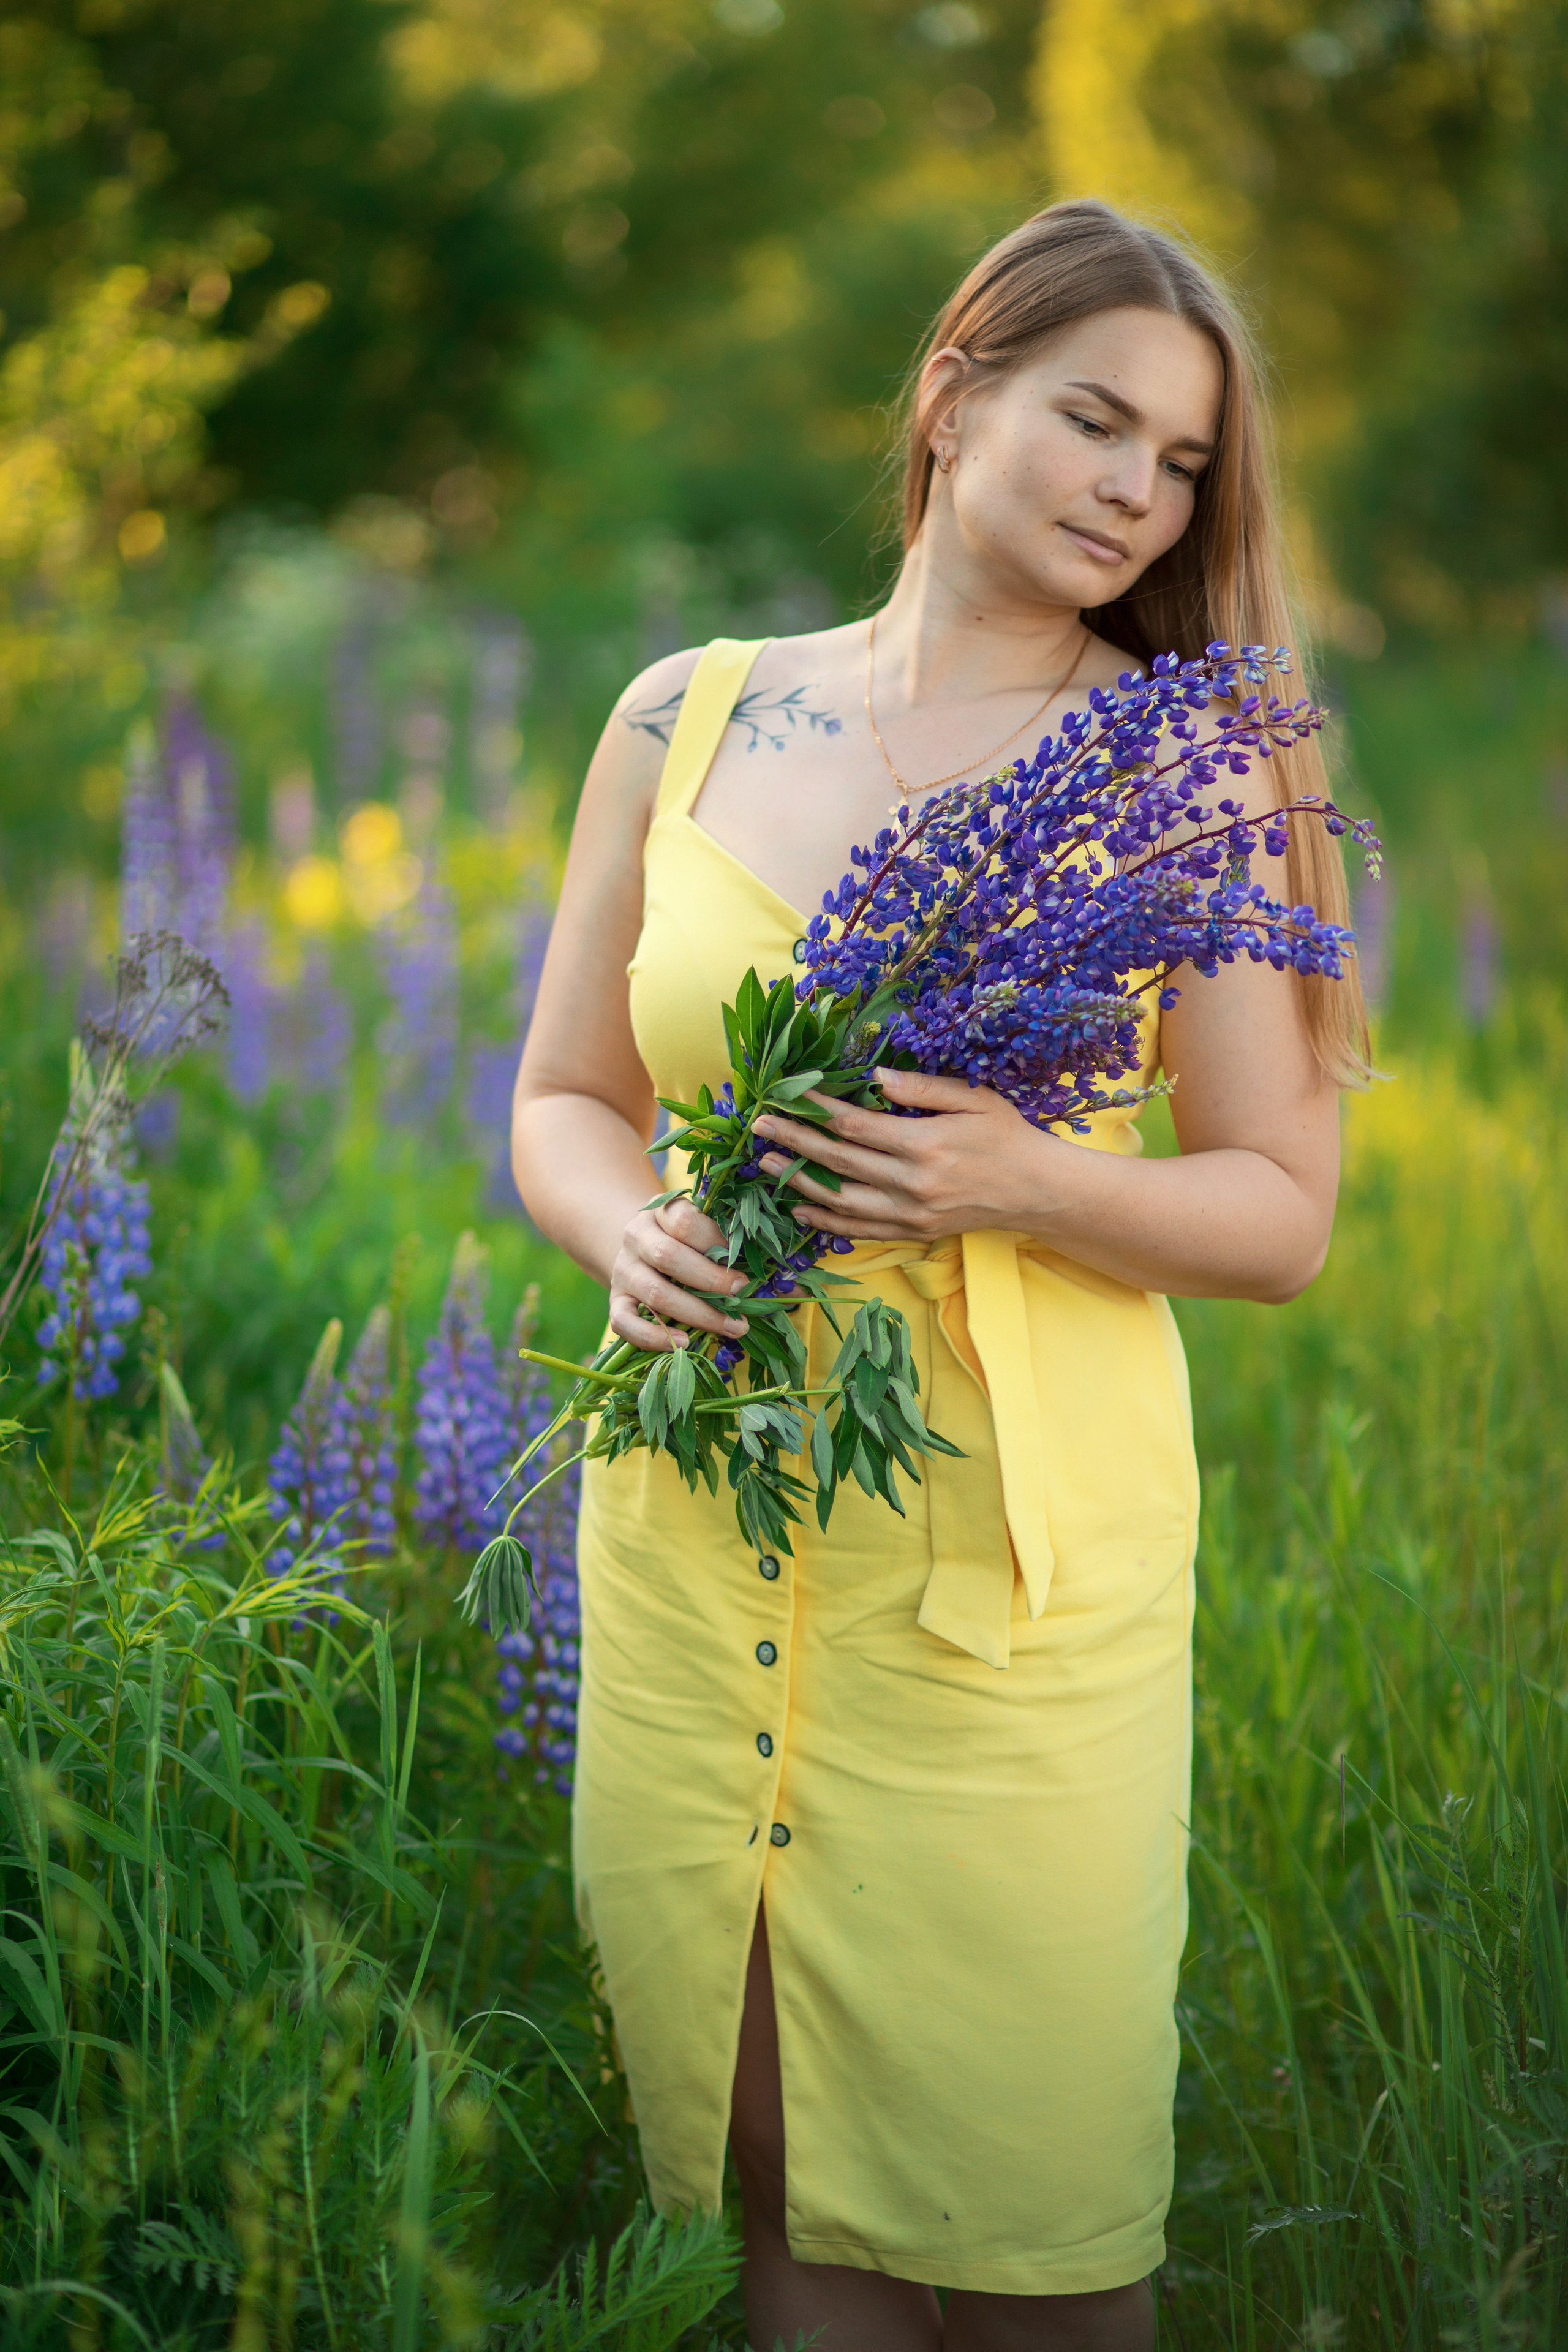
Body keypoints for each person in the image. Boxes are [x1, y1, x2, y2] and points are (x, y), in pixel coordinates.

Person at [513, 198, 1366, 2352]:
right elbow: (565, 1099)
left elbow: (1282, 1211)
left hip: (1005, 1573)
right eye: (1096, 420)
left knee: (1036, 2235)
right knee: (774, 2184)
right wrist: (631, 1233)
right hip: (697, 1528)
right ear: (954, 392)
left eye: (1181, 463)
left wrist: (1017, 1178)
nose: (1137, 489)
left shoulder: (1190, 765)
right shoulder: (686, 718)